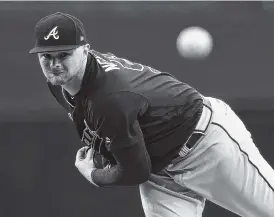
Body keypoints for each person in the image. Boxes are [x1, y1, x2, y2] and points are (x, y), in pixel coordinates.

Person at [29, 12, 274, 217]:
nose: (55, 64)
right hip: (161, 171)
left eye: (64, 54)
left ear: (85, 50)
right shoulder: (59, 83)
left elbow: (136, 171)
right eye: (46, 57)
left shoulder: (109, 97)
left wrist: (94, 175)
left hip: (206, 144)